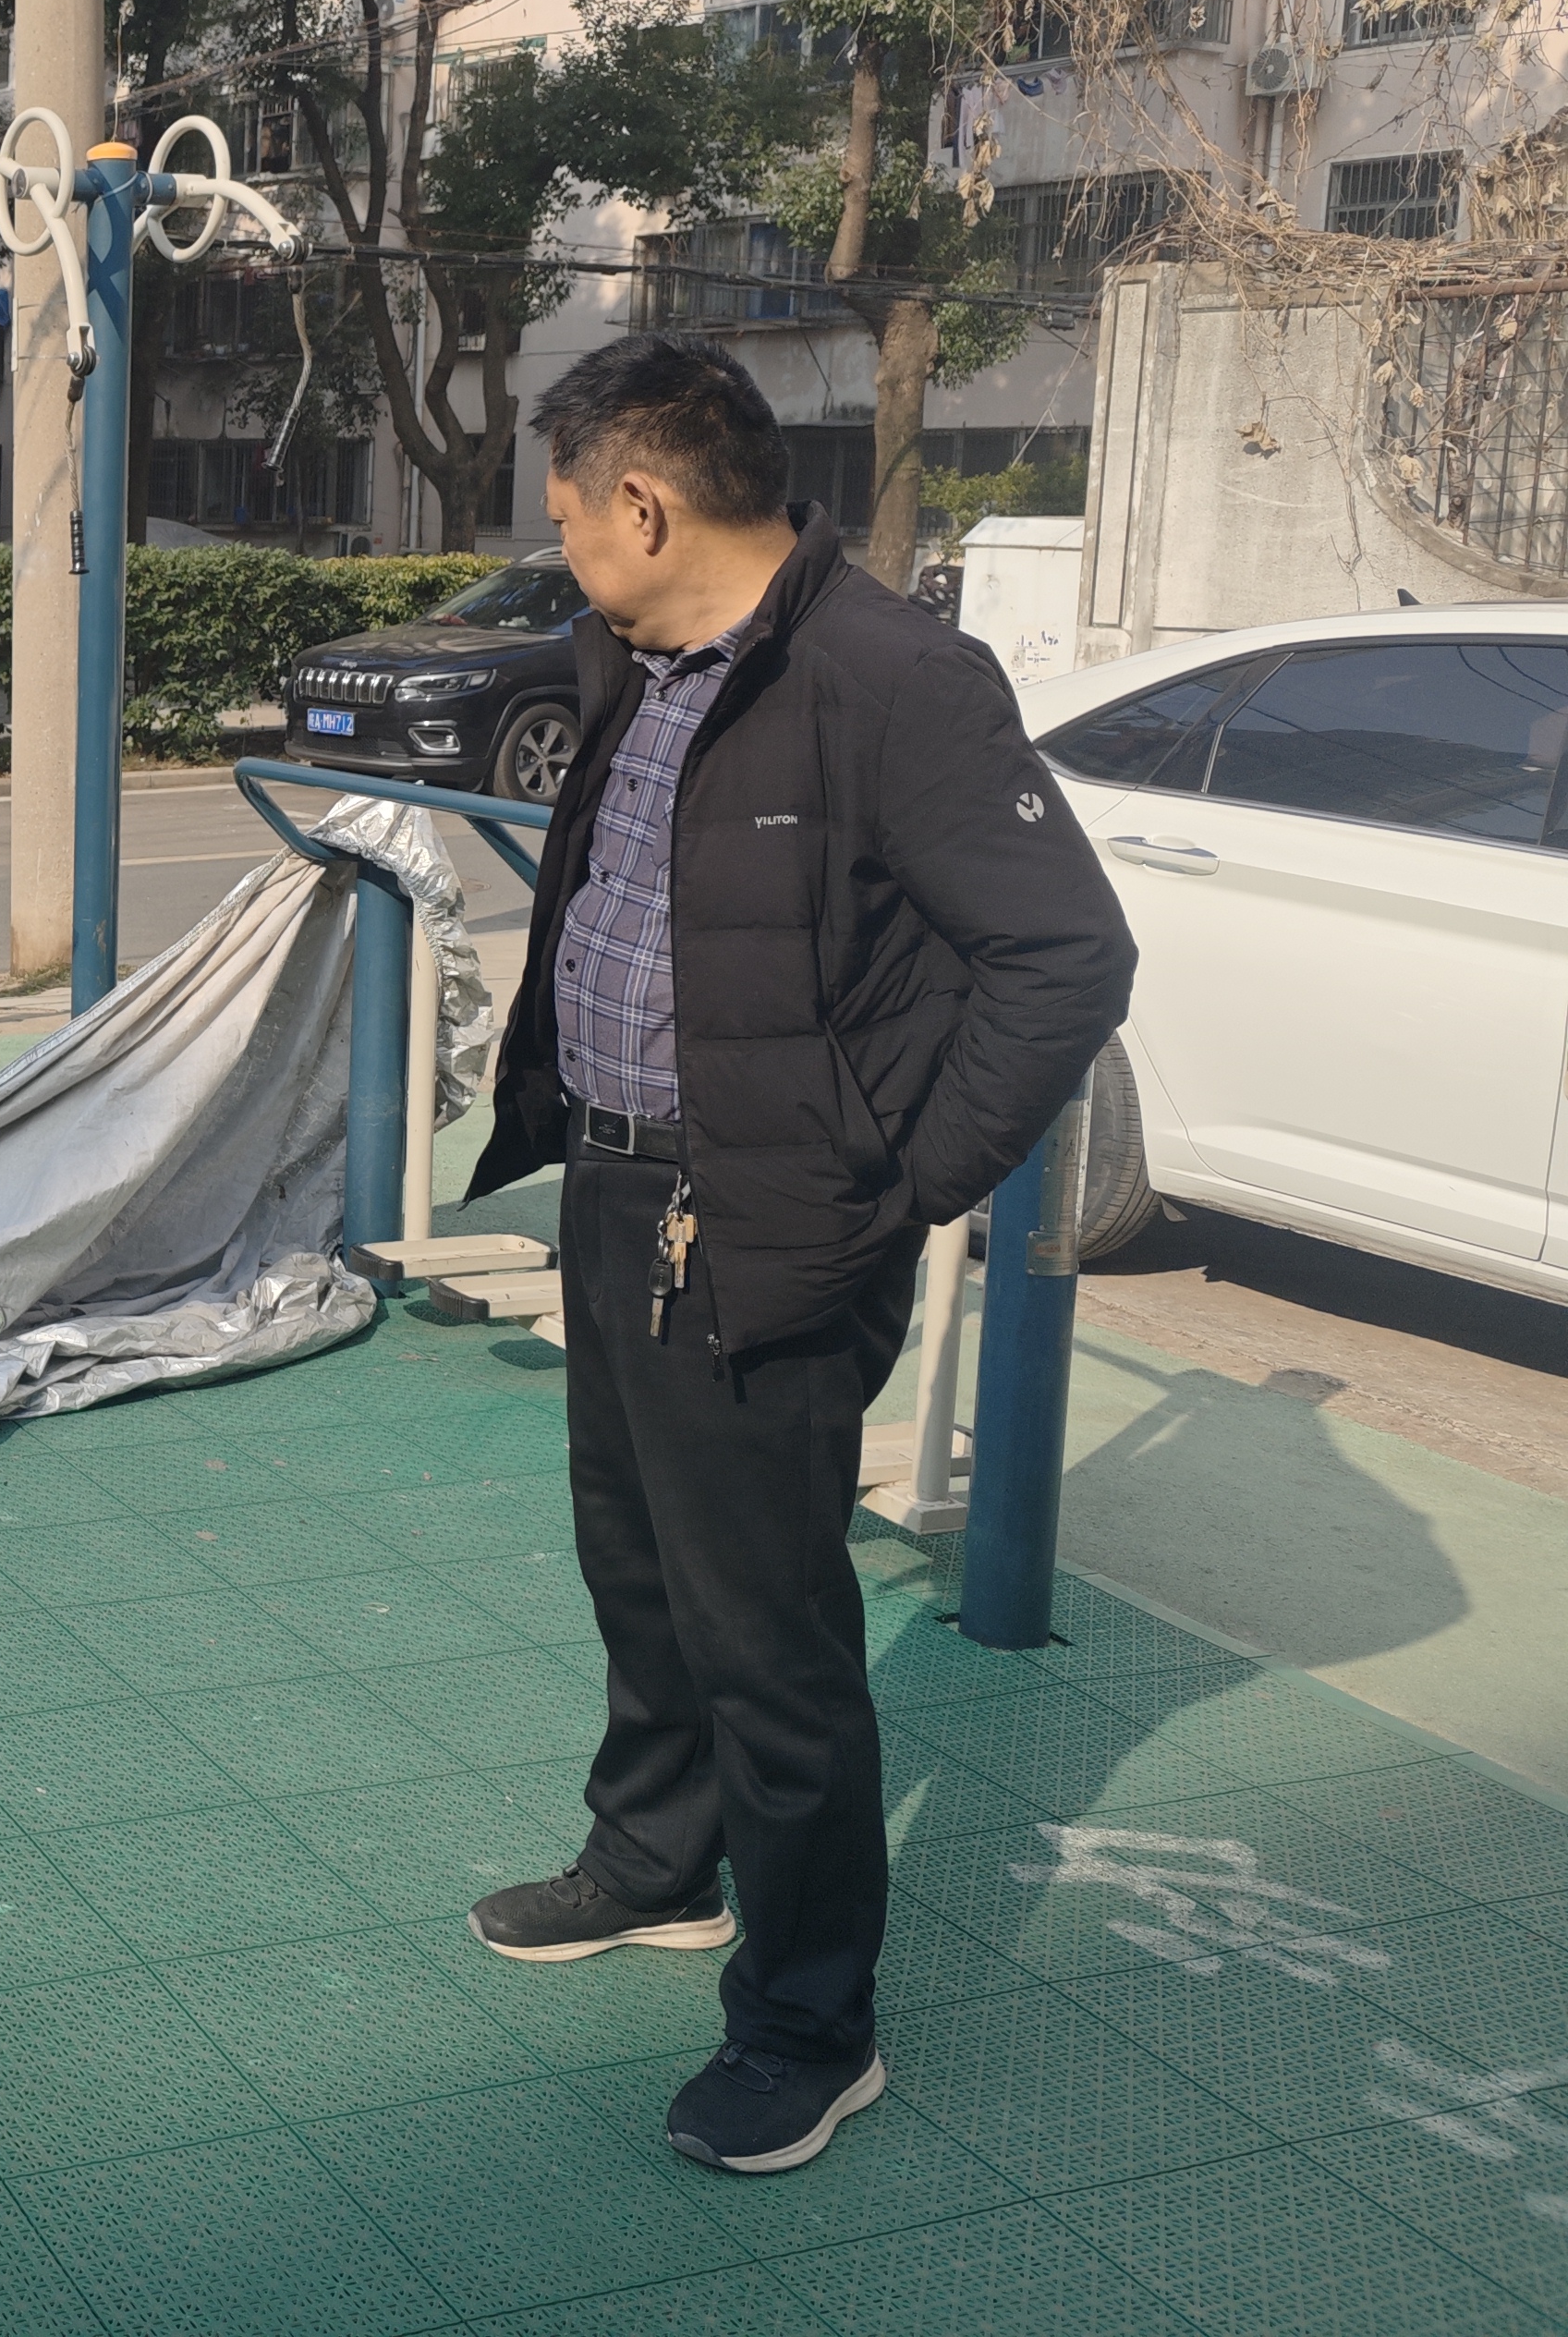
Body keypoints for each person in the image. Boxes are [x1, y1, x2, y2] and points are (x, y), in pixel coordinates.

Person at [458, 335, 1134, 2175]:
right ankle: (652, 1861)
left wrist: (900, 1179)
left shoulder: (894, 681)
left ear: (643, 505)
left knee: (768, 1637)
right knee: (636, 1560)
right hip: (616, 1189)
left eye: (565, 512)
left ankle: (807, 2024)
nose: (557, 543)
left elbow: (1064, 956)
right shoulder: (635, 656)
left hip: (769, 1217)